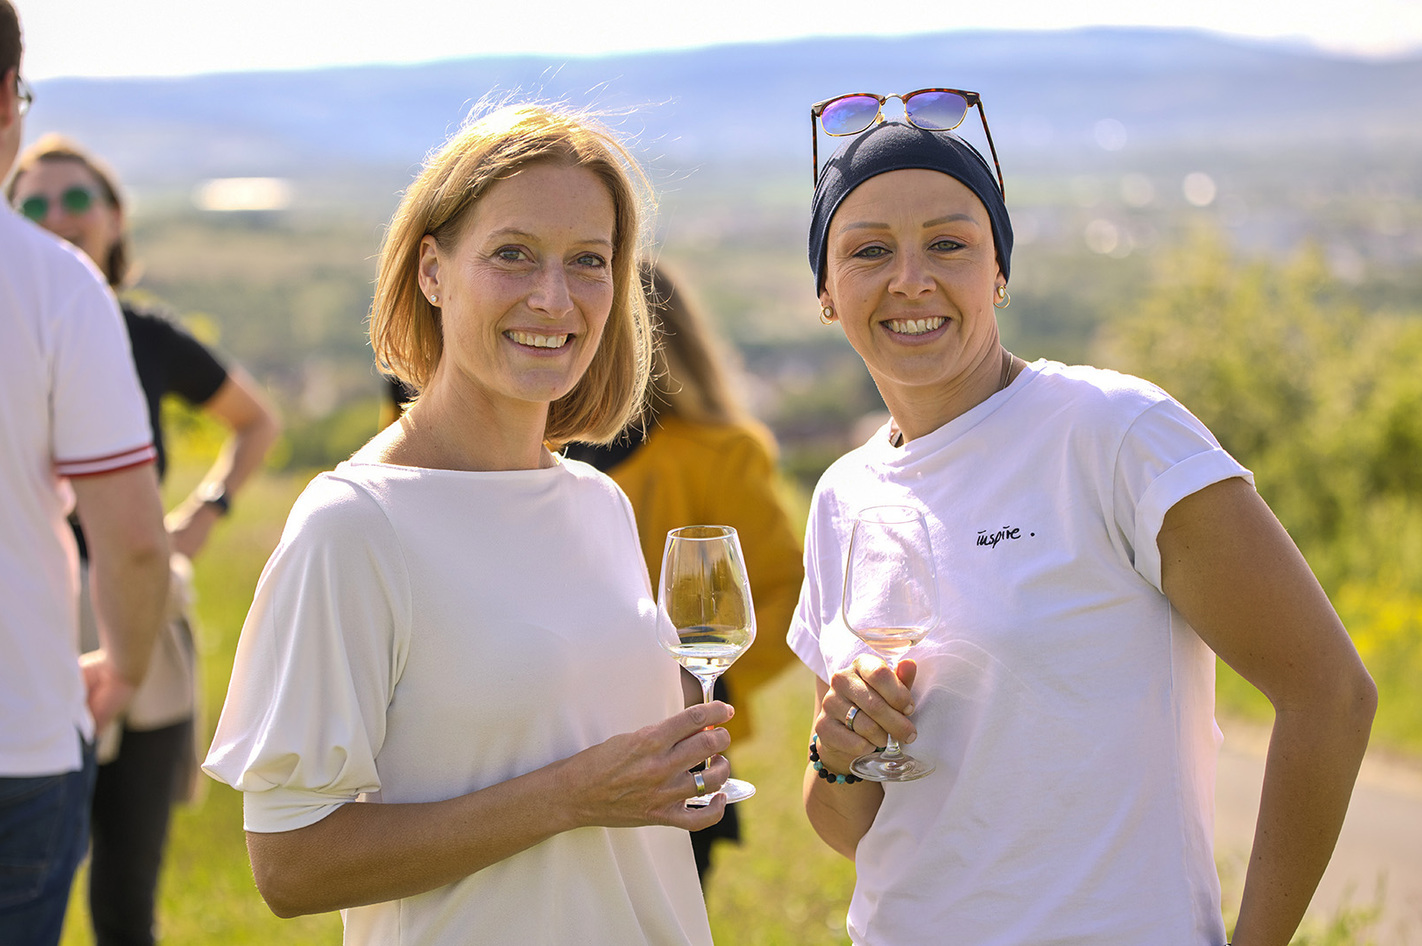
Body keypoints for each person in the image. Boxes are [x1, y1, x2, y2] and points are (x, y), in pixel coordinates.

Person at [791, 91, 1377, 945]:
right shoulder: (843, 495)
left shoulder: (1113, 433)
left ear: (998, 270)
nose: (909, 279)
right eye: (869, 250)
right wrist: (837, 756)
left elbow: (1330, 694)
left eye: (949, 244)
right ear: (826, 295)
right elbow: (854, 832)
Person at [202, 102, 727, 945]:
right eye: (512, 255)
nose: (553, 298)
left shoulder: (599, 504)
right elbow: (291, 866)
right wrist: (573, 795)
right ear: (433, 271)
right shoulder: (355, 526)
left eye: (588, 261)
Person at [7, 133, 282, 946]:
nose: (58, 216)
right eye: (35, 202)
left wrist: (205, 514)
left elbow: (256, 423)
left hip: (140, 619)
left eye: (78, 198)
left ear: (117, 217)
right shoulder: (27, 312)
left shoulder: (147, 335)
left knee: (125, 897)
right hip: (41, 622)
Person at [0, 4, 170, 943]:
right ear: (4, 104)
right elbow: (133, 543)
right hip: (18, 730)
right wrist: (125, 669)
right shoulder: (58, 285)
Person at [565, 259, 804, 881]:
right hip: (539, 758)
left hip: (677, 759)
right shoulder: (518, 453)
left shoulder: (720, 455)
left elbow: (788, 591)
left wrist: (703, 688)